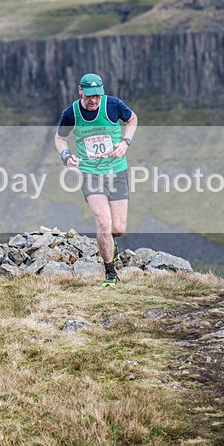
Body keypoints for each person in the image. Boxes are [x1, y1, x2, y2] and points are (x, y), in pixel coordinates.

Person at [54, 73, 138, 287]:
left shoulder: (113, 105)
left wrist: (125, 142)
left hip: (116, 171)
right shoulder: (71, 112)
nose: (94, 100)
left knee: (118, 228)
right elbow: (60, 138)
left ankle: (111, 242)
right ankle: (110, 273)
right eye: (90, 95)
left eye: (97, 95)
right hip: (90, 174)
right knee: (103, 221)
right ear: (80, 91)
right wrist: (65, 156)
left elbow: (132, 119)